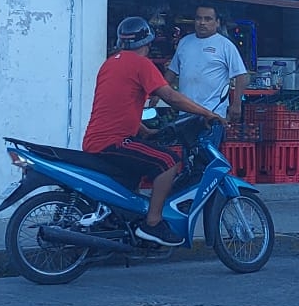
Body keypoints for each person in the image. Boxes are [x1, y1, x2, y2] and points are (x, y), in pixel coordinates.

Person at [83, 17, 223, 246]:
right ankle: (153, 224)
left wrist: (144, 130)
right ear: (147, 42)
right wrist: (207, 113)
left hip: (96, 140)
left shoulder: (109, 64)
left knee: (138, 170)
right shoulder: (142, 64)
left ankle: (126, 225)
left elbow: (116, 105)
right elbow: (170, 96)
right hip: (115, 142)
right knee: (168, 161)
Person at [165, 6, 248, 121]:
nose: (202, 23)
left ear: (217, 22)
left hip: (214, 114)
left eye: (208, 19)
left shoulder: (225, 45)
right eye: (199, 18)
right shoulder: (184, 42)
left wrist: (237, 104)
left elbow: (241, 76)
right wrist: (158, 92)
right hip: (184, 113)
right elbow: (172, 71)